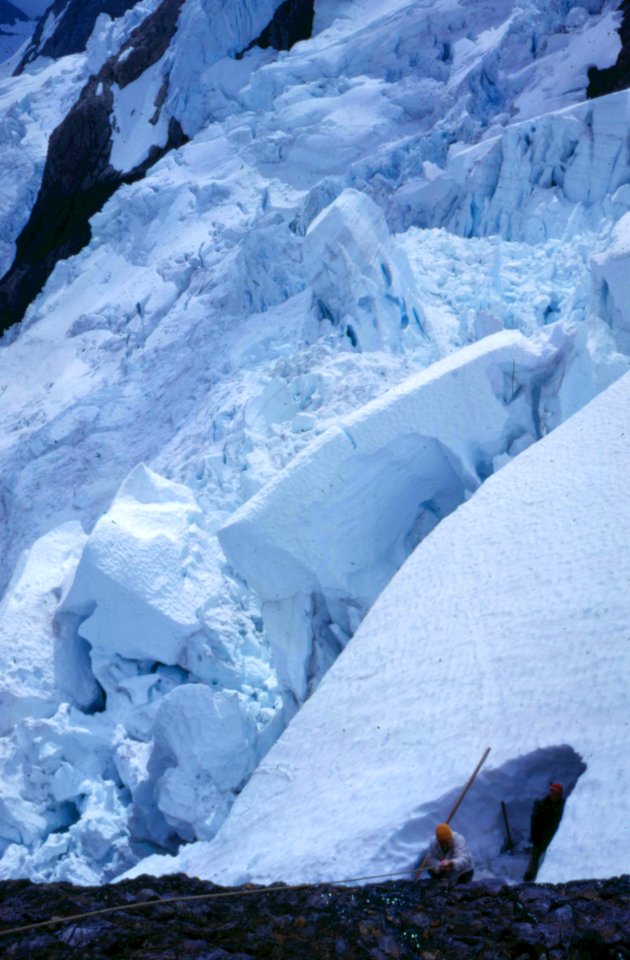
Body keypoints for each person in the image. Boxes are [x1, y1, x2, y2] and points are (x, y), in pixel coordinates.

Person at [523, 782, 565, 881]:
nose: (553, 796)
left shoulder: (563, 806)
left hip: (555, 835)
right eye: (552, 793)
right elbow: (534, 820)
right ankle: (531, 872)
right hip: (542, 834)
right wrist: (535, 835)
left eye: (556, 794)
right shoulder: (541, 804)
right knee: (535, 853)